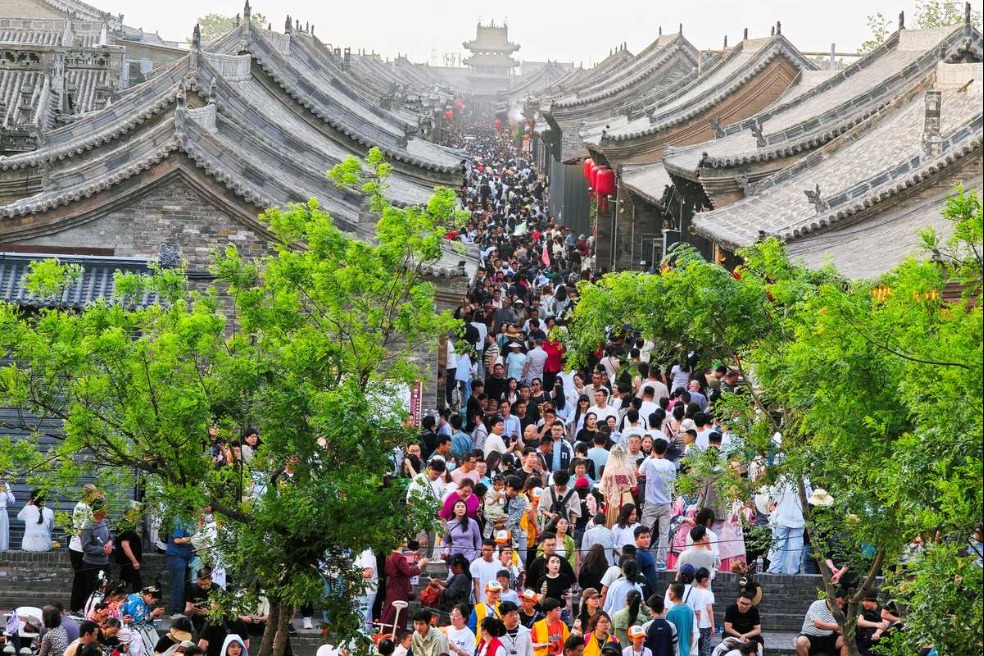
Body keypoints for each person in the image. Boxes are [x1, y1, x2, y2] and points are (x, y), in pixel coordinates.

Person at [639, 439, 675, 568]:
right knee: (664, 533)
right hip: (666, 503)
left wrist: (650, 456)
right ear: (665, 450)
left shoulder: (649, 462)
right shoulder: (671, 465)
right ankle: (661, 562)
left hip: (651, 502)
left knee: (645, 531)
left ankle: (642, 557)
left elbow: (640, 471)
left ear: (653, 449)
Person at [381, 543, 429, 632]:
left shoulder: (390, 555)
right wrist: (420, 564)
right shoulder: (398, 557)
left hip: (393, 588)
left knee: (391, 610)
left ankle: (387, 631)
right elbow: (408, 572)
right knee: (396, 613)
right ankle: (395, 634)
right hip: (399, 589)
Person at [795, 592, 846, 656]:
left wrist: (843, 631)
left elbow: (839, 630)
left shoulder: (840, 613)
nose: (840, 606)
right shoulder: (817, 604)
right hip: (810, 636)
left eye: (842, 605)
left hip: (828, 638)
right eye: (839, 603)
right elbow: (818, 625)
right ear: (831, 600)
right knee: (800, 642)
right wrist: (840, 626)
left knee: (846, 641)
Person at [666, 583, 698, 656]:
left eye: (669, 591)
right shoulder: (690, 611)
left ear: (673, 594)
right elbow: (691, 634)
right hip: (686, 651)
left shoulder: (671, 612)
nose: (668, 593)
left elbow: (668, 636)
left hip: (675, 652)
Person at [0, 478, 13, 551]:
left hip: (3, 512)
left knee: (3, 531)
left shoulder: (5, 490)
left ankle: (3, 550)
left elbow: (12, 501)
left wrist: (8, 490)